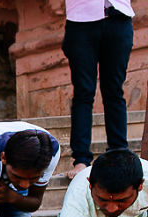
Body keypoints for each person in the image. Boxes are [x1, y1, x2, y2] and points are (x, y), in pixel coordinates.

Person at [63, 0, 133, 178]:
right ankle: (81, 160)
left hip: (119, 18)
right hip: (81, 21)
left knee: (114, 91)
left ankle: (118, 154)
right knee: (83, 92)